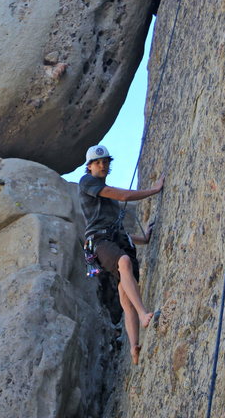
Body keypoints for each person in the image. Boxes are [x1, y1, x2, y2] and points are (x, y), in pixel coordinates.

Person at [79, 144, 164, 365]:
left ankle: (134, 347)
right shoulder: (87, 182)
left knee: (125, 295)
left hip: (114, 239)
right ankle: (144, 313)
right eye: (98, 162)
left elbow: (119, 230)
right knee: (124, 262)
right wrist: (153, 190)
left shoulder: (109, 202)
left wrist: (143, 239)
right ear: (89, 167)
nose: (103, 165)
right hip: (99, 241)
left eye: (106, 161)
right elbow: (124, 194)